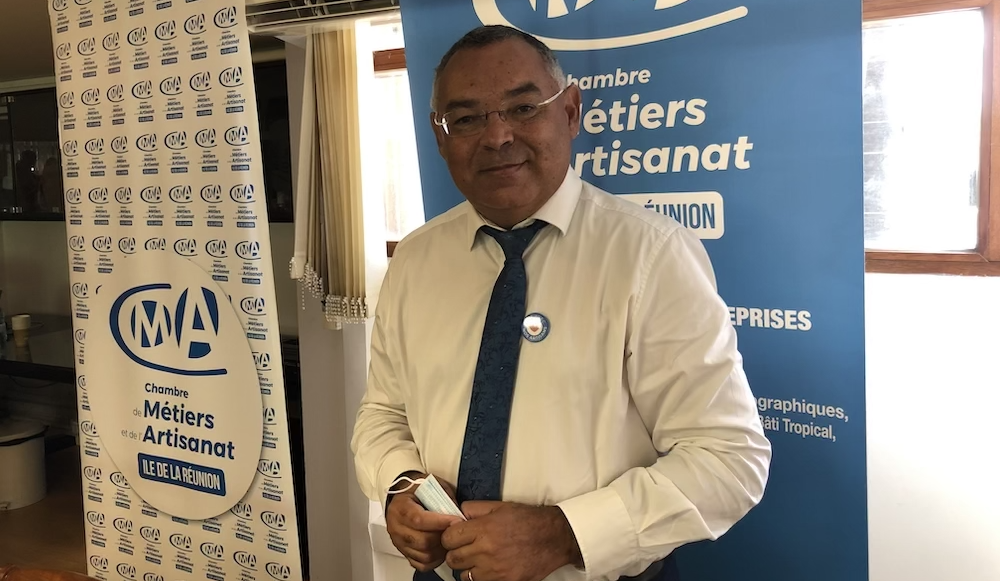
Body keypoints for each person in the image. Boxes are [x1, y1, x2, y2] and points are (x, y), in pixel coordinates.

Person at [351, 25, 771, 581]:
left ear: (570, 111)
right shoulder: (415, 259)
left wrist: (564, 534)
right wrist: (401, 484)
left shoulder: (650, 255)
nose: (497, 136)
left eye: (523, 108)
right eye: (467, 119)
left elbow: (729, 458)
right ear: (440, 135)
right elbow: (383, 413)